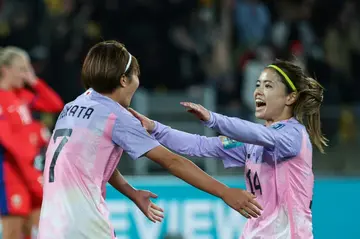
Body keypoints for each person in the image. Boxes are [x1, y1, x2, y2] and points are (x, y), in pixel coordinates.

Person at [37, 40, 262, 239]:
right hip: (84, 224)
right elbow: (172, 161)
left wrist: (131, 192)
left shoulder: (74, 106)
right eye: (136, 77)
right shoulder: (116, 116)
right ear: (124, 79)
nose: (138, 83)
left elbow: (89, 161)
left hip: (52, 223)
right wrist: (225, 192)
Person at [129, 60, 327, 239]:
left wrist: (214, 119)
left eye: (268, 86)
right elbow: (200, 145)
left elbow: (259, 134)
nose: (258, 91)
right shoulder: (252, 142)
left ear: (290, 97)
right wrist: (155, 128)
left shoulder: (293, 135)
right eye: (257, 85)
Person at [0, 46, 64, 239]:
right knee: (13, 232)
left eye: (28, 68)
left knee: (35, 232)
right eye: (21, 69)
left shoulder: (22, 97)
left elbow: (54, 105)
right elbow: (8, 141)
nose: (26, 74)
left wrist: (34, 82)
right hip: (11, 176)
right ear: (5, 69)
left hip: (31, 173)